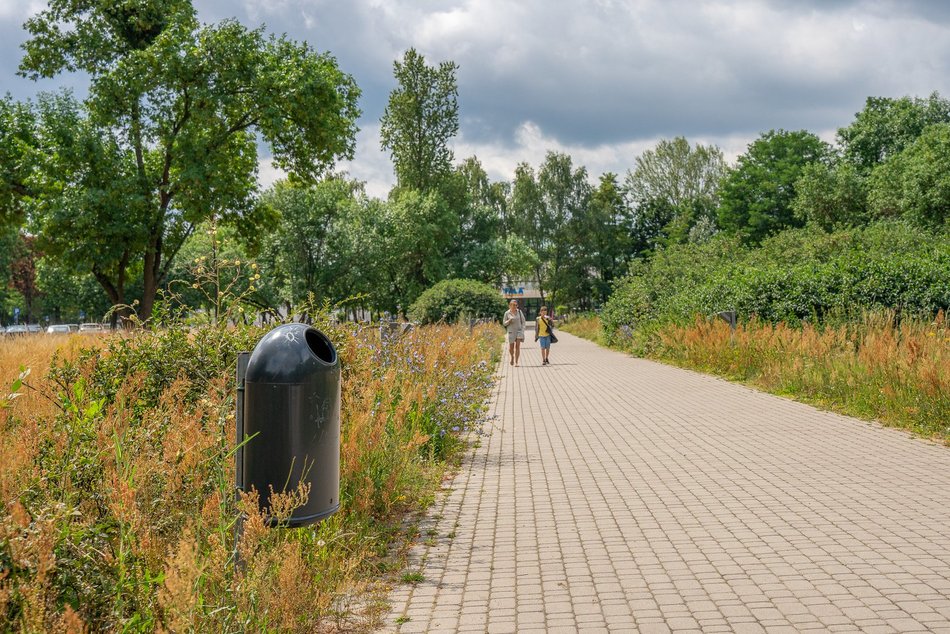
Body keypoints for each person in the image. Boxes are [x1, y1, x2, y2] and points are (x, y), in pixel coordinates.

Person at [502, 299, 526, 366]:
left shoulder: (519, 312)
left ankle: (516, 362)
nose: (514, 306)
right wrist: (509, 320)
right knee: (511, 348)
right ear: (509, 305)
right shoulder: (507, 313)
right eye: (513, 305)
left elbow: (523, 321)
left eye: (515, 305)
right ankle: (512, 357)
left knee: (517, 347)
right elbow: (504, 323)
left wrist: (523, 329)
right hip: (511, 332)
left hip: (519, 331)